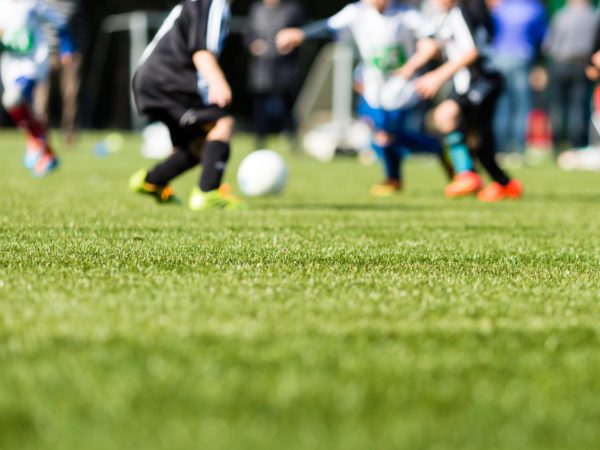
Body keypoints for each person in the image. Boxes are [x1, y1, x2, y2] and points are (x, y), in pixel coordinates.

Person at [276, 0, 446, 197]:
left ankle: (409, 167)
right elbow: (329, 28)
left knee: (388, 136)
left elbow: (431, 43)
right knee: (382, 135)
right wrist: (300, 34)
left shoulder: (406, 15)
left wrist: (414, 64)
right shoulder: (355, 12)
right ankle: (421, 159)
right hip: (372, 89)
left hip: (402, 89)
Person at [400, 0, 523, 201]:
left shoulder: (460, 12)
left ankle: (467, 174)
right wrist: (409, 67)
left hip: (483, 80)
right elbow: (430, 45)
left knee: (446, 116)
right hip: (465, 83)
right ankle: (505, 184)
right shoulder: (442, 16)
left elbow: (471, 52)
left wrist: (437, 77)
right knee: (476, 138)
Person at [129, 0, 244, 211]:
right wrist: (218, 82)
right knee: (223, 123)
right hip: (168, 79)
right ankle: (208, 192)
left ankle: (151, 181)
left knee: (199, 143)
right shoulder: (214, 3)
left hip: (150, 79)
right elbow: (201, 50)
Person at [0, 0, 73, 177]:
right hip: (10, 67)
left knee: (13, 99)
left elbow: (60, 23)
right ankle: (45, 152)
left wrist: (66, 48)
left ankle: (36, 143)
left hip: (33, 64)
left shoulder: (33, 4)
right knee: (21, 108)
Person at [490, 0, 547, 158]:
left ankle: (500, 148)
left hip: (499, 58)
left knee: (502, 105)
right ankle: (517, 148)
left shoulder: (500, 8)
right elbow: (541, 36)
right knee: (521, 106)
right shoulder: (534, 8)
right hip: (522, 57)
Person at [244, 0, 304, 149]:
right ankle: (259, 141)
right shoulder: (256, 9)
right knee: (259, 108)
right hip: (261, 68)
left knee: (288, 107)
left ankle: (292, 140)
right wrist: (253, 44)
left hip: (286, 68)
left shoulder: (292, 9)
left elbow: (301, 33)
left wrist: (291, 44)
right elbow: (248, 34)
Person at [544, 0, 598, 152]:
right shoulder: (593, 16)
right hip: (582, 64)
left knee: (558, 106)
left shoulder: (561, 16)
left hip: (560, 62)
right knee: (578, 106)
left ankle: (558, 144)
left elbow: (549, 45)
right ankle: (577, 145)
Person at [34, 0, 87, 146]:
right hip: (45, 54)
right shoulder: (41, 3)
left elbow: (80, 29)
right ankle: (40, 136)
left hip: (71, 55)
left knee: (71, 96)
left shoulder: (74, 4)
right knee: (41, 99)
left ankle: (70, 135)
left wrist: (75, 51)